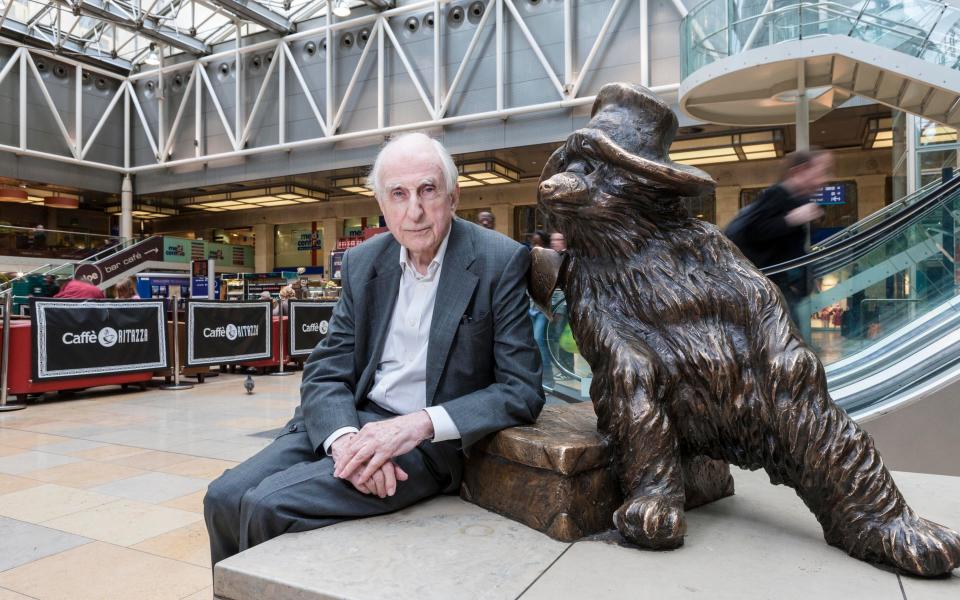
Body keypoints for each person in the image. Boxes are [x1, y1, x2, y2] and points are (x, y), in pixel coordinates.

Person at [203, 133, 545, 565]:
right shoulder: (366, 263)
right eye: (398, 195)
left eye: (428, 191)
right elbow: (327, 369)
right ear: (382, 205)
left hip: (427, 442)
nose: (414, 211)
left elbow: (521, 390)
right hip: (352, 423)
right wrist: (346, 441)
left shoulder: (499, 260)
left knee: (267, 505)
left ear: (453, 197)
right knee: (223, 497)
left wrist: (414, 426)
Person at [725, 149, 832, 323]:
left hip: (780, 291)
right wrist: (792, 218)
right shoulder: (777, 194)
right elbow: (752, 232)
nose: (823, 180)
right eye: (820, 172)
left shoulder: (799, 200)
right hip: (766, 289)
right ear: (801, 170)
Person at [528, 230, 554, 389]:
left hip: (544, 308)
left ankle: (548, 380)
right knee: (531, 342)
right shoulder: (530, 256)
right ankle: (536, 379)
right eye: (533, 243)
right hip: (530, 306)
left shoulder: (550, 257)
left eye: (539, 243)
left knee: (539, 340)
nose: (536, 246)